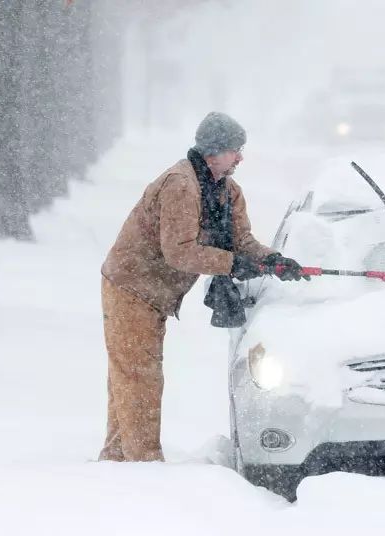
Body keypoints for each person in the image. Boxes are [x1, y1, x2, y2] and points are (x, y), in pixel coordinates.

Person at [98, 112, 306, 461]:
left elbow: (242, 241)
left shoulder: (227, 191)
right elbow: (179, 252)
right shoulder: (181, 185)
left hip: (154, 293)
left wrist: (273, 261)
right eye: (235, 150)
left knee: (131, 374)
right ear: (213, 151)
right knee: (140, 378)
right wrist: (232, 263)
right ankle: (142, 464)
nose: (240, 157)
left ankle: (118, 458)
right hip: (131, 287)